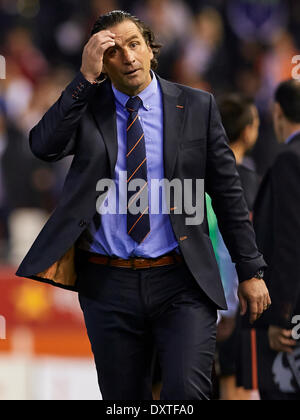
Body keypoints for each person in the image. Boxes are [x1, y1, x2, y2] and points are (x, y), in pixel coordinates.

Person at [16, 10, 270, 400]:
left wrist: (250, 271)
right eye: (113, 51)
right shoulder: (87, 105)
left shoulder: (197, 106)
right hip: (108, 283)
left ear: (151, 49)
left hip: (182, 278)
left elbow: (228, 194)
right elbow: (43, 146)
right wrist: (83, 79)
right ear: (101, 62)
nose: (128, 57)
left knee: (186, 394)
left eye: (134, 44)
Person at [242, 79, 300, 400]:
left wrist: (284, 318)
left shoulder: (290, 160)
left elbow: (291, 245)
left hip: (293, 321)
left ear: (277, 111)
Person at [215, 95, 261, 400]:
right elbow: (227, 245)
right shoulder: (251, 183)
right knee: (234, 385)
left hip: (190, 301)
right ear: (248, 131)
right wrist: (228, 307)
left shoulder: (193, 175)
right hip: (232, 303)